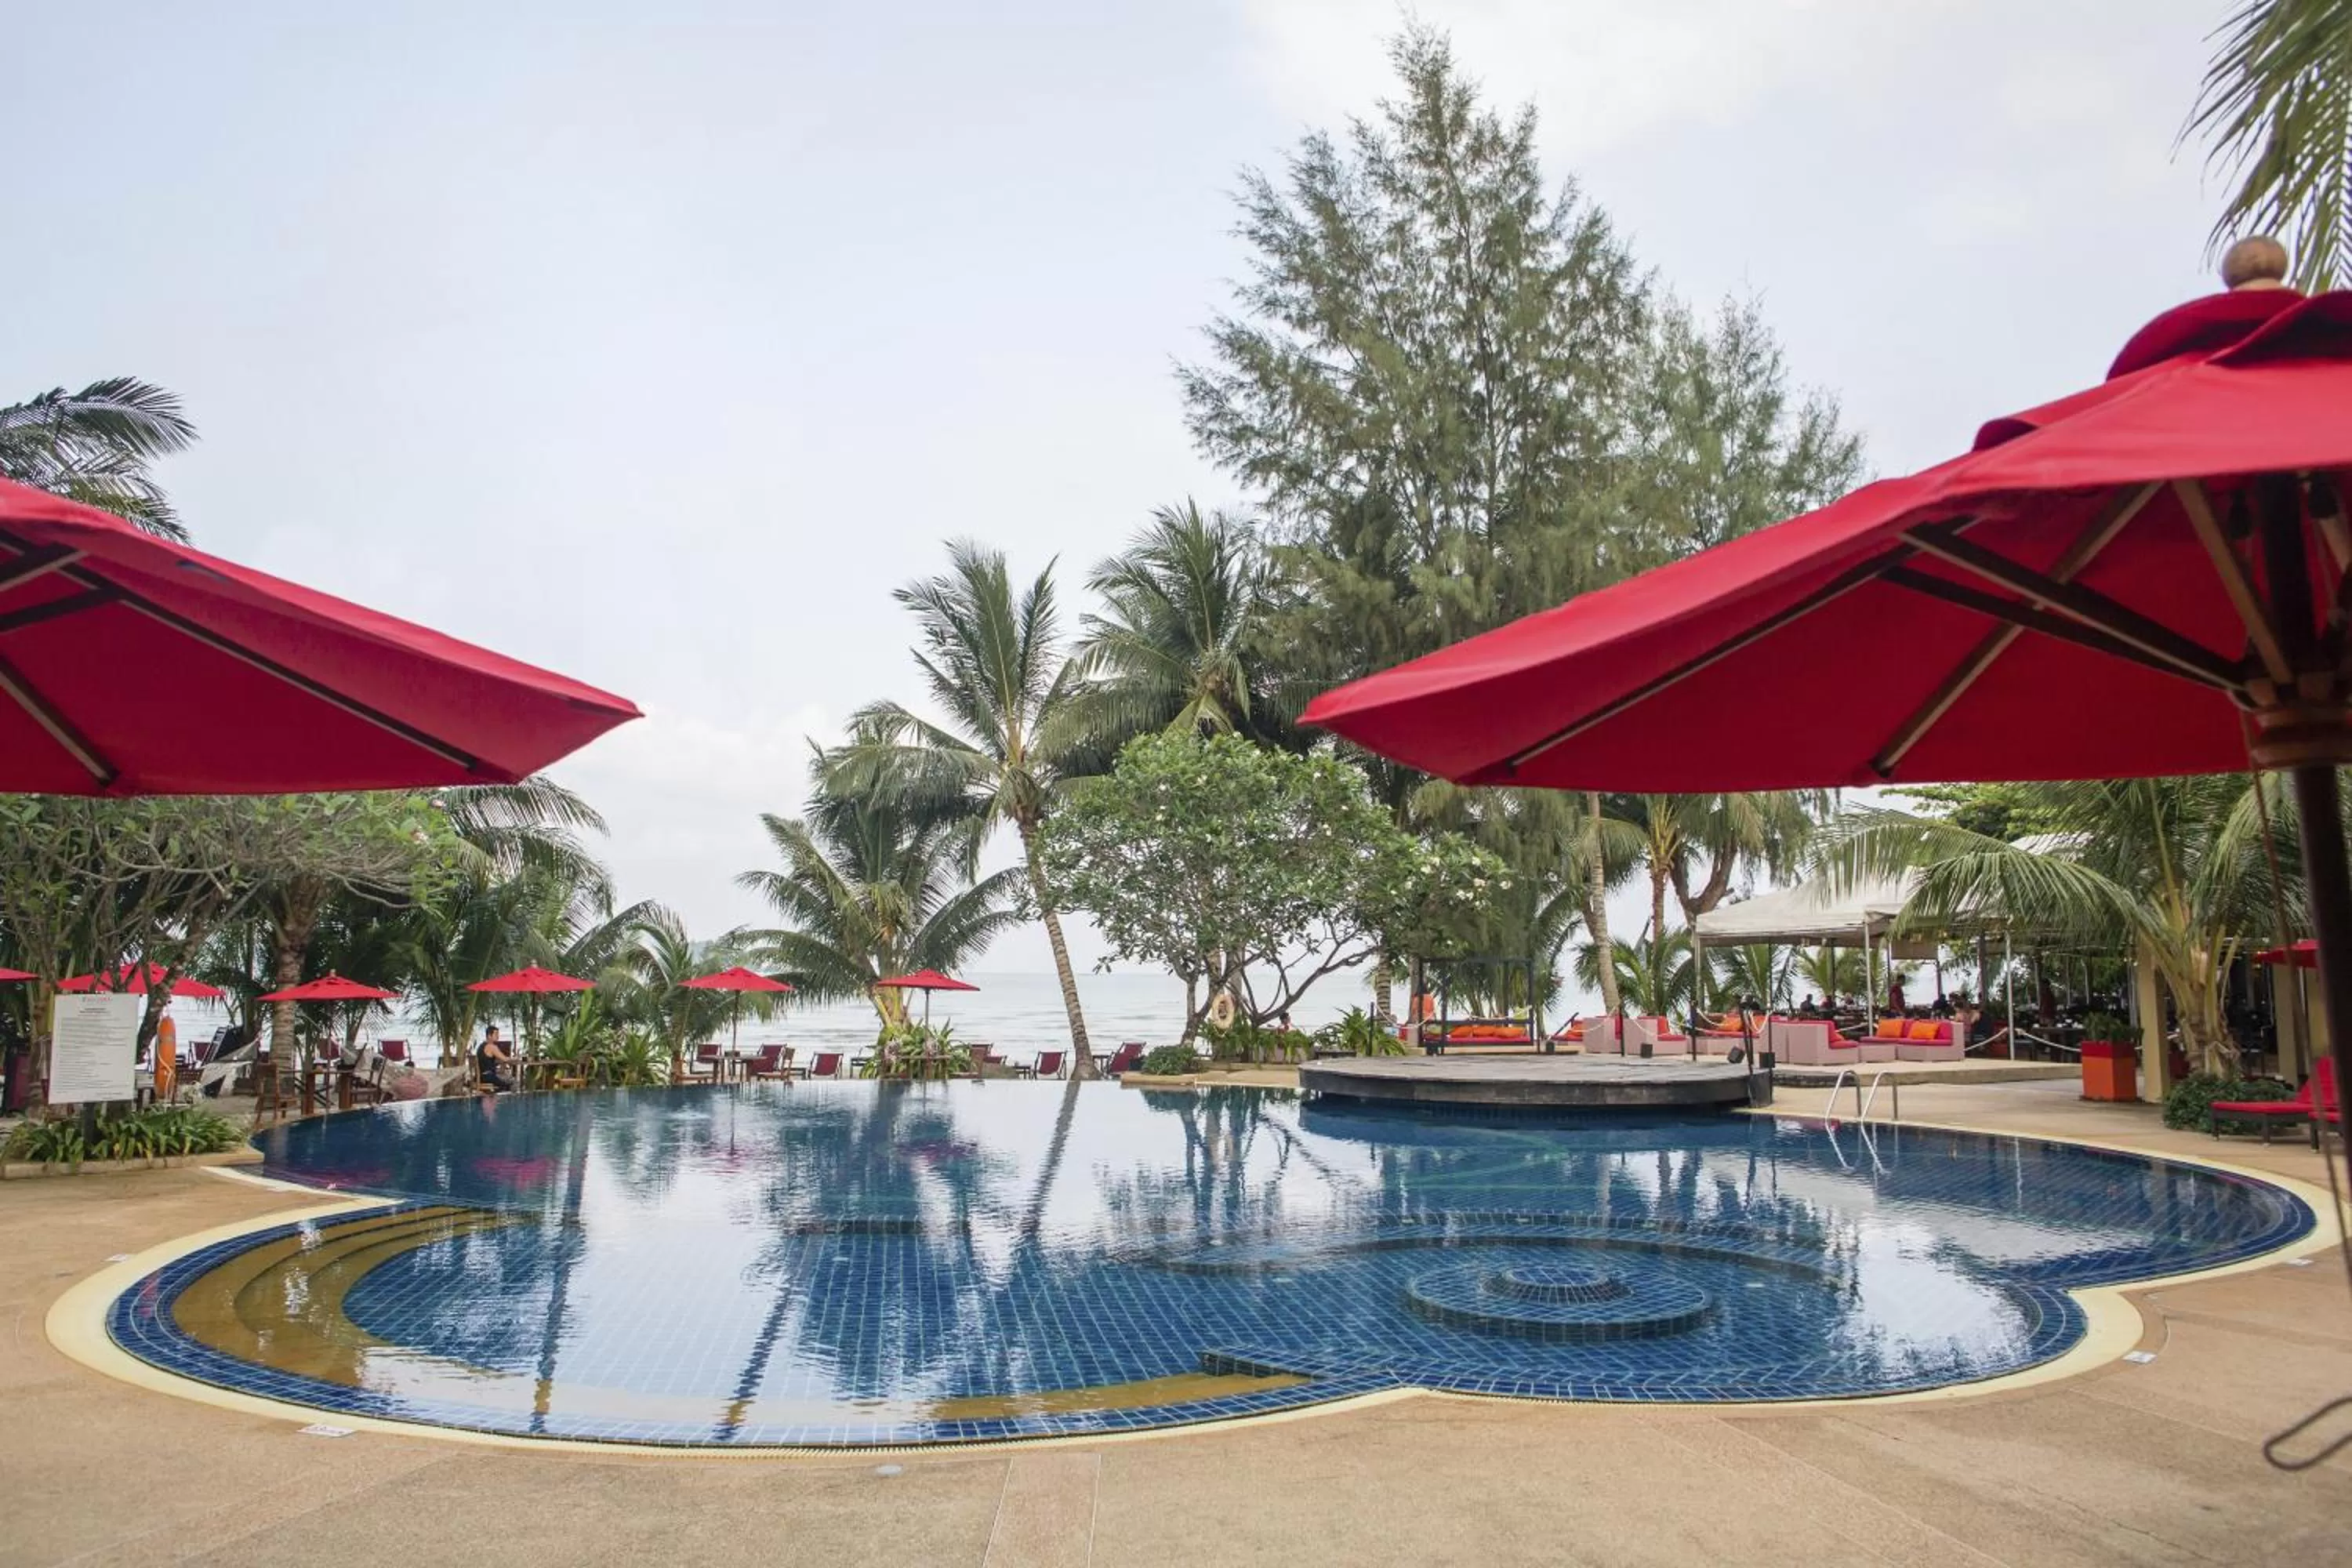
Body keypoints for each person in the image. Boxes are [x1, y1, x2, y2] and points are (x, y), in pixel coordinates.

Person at [476, 1024, 514, 1093]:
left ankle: (492, 1096)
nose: (498, 1036)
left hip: (481, 1077)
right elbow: (505, 1059)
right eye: (496, 1034)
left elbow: (487, 1061)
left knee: (505, 1079)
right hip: (489, 1078)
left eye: (498, 1034)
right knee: (511, 1084)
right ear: (489, 1036)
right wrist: (515, 1058)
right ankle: (495, 1095)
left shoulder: (481, 1046)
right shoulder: (492, 1047)